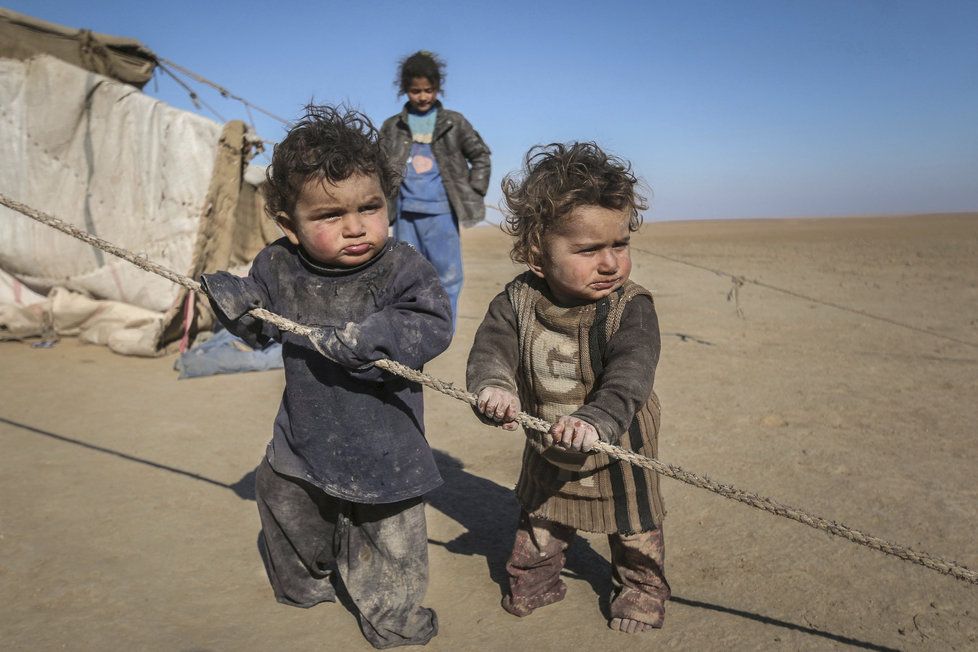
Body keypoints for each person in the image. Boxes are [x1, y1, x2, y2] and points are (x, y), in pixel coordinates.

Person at [200, 105, 452, 649]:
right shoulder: (278, 266)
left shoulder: (403, 267)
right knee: (285, 502)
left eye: (370, 207)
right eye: (330, 216)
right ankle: (306, 583)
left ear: (390, 203)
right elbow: (260, 326)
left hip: (387, 443)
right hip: (304, 435)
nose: (356, 226)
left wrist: (374, 336)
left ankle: (392, 615)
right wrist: (236, 304)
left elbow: (431, 324)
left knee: (392, 539)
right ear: (289, 225)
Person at [466, 142, 670, 634]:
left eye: (619, 245)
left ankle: (640, 591)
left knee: (635, 530)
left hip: (619, 446)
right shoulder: (516, 301)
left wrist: (596, 421)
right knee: (541, 520)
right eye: (588, 250)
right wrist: (495, 389)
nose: (610, 264)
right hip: (547, 446)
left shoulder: (631, 308)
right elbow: (490, 353)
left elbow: (630, 376)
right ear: (537, 254)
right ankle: (537, 579)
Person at [380, 50, 491, 326]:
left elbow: (480, 155)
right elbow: (377, 166)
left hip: (442, 213)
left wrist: (474, 191)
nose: (422, 97)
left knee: (448, 275)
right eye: (416, 91)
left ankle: (443, 327)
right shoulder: (392, 127)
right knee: (405, 273)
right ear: (405, 90)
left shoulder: (454, 122)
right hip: (406, 215)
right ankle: (413, 326)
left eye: (428, 90)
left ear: (438, 88)